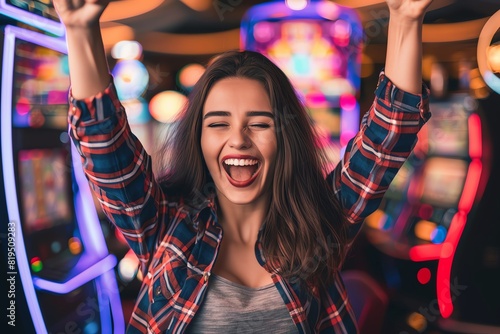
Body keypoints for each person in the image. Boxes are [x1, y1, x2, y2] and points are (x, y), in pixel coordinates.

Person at [53, 0, 432, 333]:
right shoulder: (164, 223)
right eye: (218, 124)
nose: (238, 140)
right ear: (198, 139)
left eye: (260, 124)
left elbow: (388, 135)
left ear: (285, 135)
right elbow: (105, 145)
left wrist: (405, 17)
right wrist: (80, 28)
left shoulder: (319, 222)